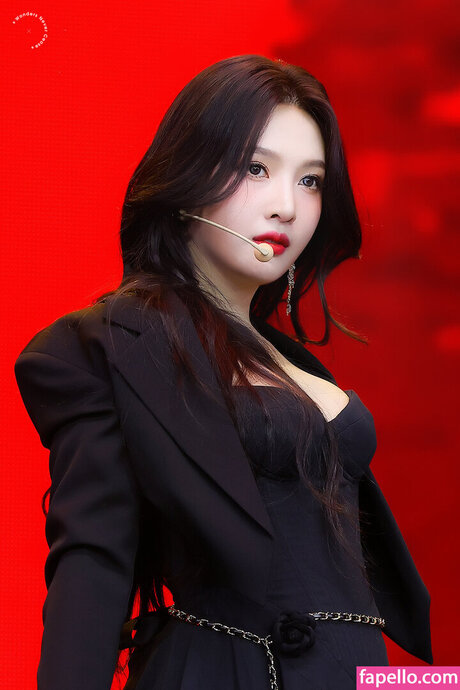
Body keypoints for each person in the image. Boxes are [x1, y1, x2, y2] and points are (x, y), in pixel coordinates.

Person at [14, 54, 433, 690]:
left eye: (311, 181)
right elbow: (92, 566)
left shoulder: (289, 359)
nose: (287, 207)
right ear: (188, 173)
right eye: (256, 168)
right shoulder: (109, 345)